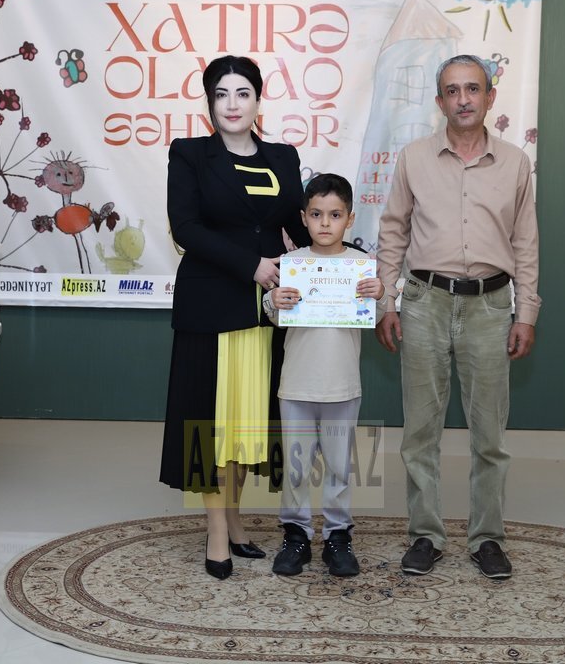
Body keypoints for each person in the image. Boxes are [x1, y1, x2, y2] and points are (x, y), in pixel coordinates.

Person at [375, 53, 540, 580]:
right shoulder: (414, 159)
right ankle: (425, 535)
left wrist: (526, 312)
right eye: (452, 90)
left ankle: (488, 539)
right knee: (420, 431)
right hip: (424, 302)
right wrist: (386, 301)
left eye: (472, 89)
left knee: (489, 435)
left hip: (491, 307)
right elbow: (393, 232)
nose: (463, 99)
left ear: (490, 97)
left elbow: (526, 242)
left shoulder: (515, 163)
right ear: (439, 101)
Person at [158, 55, 311, 580]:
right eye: (221, 94)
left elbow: (302, 228)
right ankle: (217, 531)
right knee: (211, 426)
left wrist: (347, 265)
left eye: (242, 93)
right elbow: (186, 228)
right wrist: (253, 265)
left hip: (267, 313)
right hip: (211, 308)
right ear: (209, 103)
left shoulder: (283, 157)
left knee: (248, 425)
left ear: (258, 100)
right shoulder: (189, 155)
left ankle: (237, 518)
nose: (232, 104)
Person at [262, 173, 383, 578]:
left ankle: (337, 536)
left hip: (342, 386)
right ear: (303, 217)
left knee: (338, 467)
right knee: (296, 468)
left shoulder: (361, 266)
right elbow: (274, 314)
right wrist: (273, 300)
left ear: (350, 218)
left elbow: (376, 315)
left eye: (335, 214)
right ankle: (295, 535)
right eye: (316, 214)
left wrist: (381, 295)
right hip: (297, 384)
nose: (325, 223)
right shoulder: (292, 264)